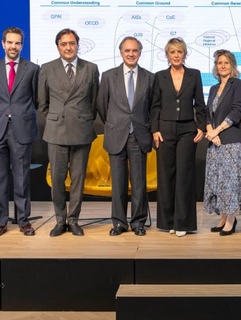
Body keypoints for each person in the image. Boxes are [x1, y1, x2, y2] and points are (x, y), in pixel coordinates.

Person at [38, 28, 99, 237]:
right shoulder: (46, 68)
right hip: (56, 131)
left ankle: (73, 220)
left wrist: (81, 118)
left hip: (81, 130)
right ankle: (59, 220)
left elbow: (93, 101)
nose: (68, 47)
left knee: (78, 179)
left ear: (77, 45)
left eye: (72, 43)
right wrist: (55, 120)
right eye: (64, 44)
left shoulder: (91, 69)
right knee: (57, 178)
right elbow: (42, 104)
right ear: (58, 47)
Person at [97, 37, 154, 236]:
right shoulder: (108, 76)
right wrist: (116, 124)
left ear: (140, 52)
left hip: (139, 135)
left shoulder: (150, 77)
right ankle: (119, 223)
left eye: (135, 50)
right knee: (118, 184)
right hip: (116, 135)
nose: (131, 54)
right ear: (121, 52)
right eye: (127, 50)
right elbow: (102, 106)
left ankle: (138, 222)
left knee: (139, 184)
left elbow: (151, 108)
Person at [151, 38, 206, 237]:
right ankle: (167, 222)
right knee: (166, 175)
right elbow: (155, 105)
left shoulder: (194, 75)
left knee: (184, 176)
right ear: (167, 55)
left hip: (187, 130)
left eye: (179, 52)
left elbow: (200, 103)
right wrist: (155, 129)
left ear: (184, 54)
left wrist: (201, 125)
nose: (176, 55)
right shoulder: (159, 76)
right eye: (172, 52)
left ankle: (183, 223)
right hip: (164, 130)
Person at [203, 50, 241, 236]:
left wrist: (217, 130)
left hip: (231, 141)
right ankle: (222, 218)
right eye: (219, 62)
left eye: (226, 63)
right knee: (219, 182)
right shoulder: (214, 88)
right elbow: (207, 114)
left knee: (230, 182)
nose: (222, 66)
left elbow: (238, 111)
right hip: (215, 143)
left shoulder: (238, 84)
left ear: (233, 66)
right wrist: (211, 133)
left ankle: (231, 219)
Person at [0, 27, 39, 236]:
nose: (13, 46)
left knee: (22, 177)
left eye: (17, 43)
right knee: (0, 178)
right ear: (3, 44)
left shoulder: (32, 69)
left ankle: (23, 220)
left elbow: (38, 99)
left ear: (22, 46)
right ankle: (1, 220)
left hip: (22, 129)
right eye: (10, 42)